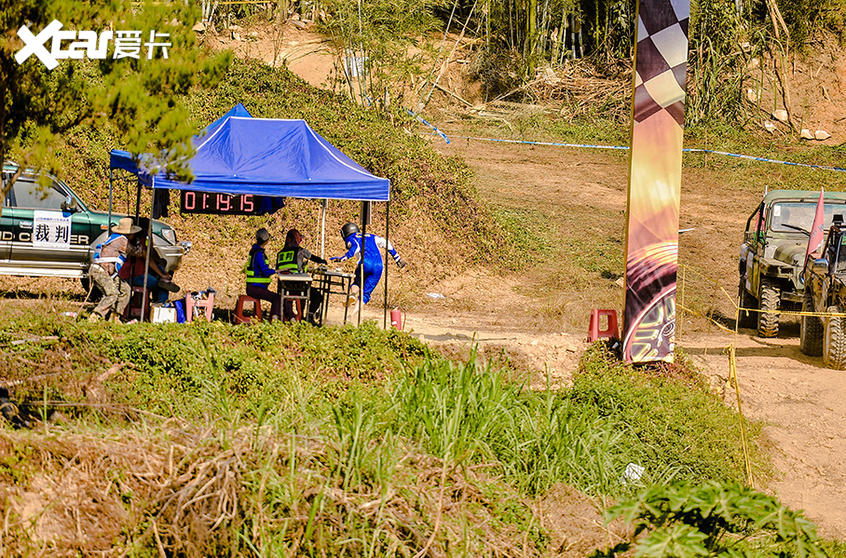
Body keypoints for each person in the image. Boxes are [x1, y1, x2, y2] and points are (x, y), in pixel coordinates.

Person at [330, 222, 405, 317]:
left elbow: (355, 247)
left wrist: (343, 258)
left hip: (365, 263)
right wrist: (397, 258)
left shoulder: (351, 238)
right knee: (366, 294)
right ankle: (352, 315)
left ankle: (353, 294)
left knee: (357, 283)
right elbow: (386, 243)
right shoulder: (371, 236)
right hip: (378, 265)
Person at [88, 217, 141, 322]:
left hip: (106, 272)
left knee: (125, 290)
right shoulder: (122, 241)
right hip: (100, 271)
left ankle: (115, 316)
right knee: (112, 293)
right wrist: (139, 243)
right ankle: (96, 315)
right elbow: (137, 252)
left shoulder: (115, 237)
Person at [118, 221, 179, 305]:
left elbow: (152, 255)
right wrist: (162, 275)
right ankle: (161, 304)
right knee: (161, 285)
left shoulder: (124, 240)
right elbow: (148, 259)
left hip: (133, 273)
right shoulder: (135, 244)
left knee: (161, 280)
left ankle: (159, 302)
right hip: (133, 275)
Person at [276, 228, 327, 322]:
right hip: (297, 286)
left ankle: (299, 315)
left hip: (283, 288)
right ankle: (308, 316)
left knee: (302, 289)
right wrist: (323, 261)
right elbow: (313, 257)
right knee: (316, 296)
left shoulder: (280, 254)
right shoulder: (300, 251)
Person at [246, 227, 282, 321]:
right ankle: (274, 320)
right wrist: (276, 271)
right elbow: (265, 272)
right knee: (277, 298)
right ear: (266, 240)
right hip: (256, 288)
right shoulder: (259, 253)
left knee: (276, 297)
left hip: (252, 287)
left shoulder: (254, 251)